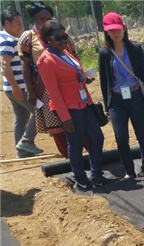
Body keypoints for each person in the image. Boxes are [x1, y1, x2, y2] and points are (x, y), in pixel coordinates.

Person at [37, 19, 104, 191]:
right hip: (69, 108)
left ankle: (96, 176)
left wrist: (83, 78)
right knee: (75, 144)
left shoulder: (65, 52)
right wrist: (65, 117)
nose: (63, 41)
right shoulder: (46, 60)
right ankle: (80, 180)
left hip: (84, 103)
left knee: (97, 138)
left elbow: (73, 74)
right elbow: (53, 91)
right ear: (47, 40)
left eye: (65, 36)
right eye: (58, 38)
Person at [19, 1, 88, 158]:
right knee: (57, 125)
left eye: (48, 18)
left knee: (79, 120)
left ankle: (90, 157)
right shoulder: (28, 37)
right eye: (41, 20)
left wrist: (82, 76)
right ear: (34, 20)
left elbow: (74, 57)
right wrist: (30, 90)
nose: (45, 22)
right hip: (45, 87)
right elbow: (25, 65)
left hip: (70, 83)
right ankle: (70, 158)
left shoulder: (62, 35)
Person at [98, 12, 144, 179]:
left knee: (142, 134)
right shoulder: (104, 53)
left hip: (136, 96)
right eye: (111, 30)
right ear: (106, 32)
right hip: (116, 100)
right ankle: (129, 171)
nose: (116, 33)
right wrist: (107, 105)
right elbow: (104, 81)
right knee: (121, 136)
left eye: (118, 29)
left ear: (124, 29)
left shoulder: (135, 49)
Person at [1, 10, 43, 158]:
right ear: (7, 23)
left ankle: (22, 151)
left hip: (12, 87)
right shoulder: (7, 40)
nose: (21, 26)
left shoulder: (8, 38)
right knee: (41, 110)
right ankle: (26, 141)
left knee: (21, 118)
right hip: (18, 87)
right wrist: (16, 87)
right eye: (18, 23)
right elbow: (5, 64)